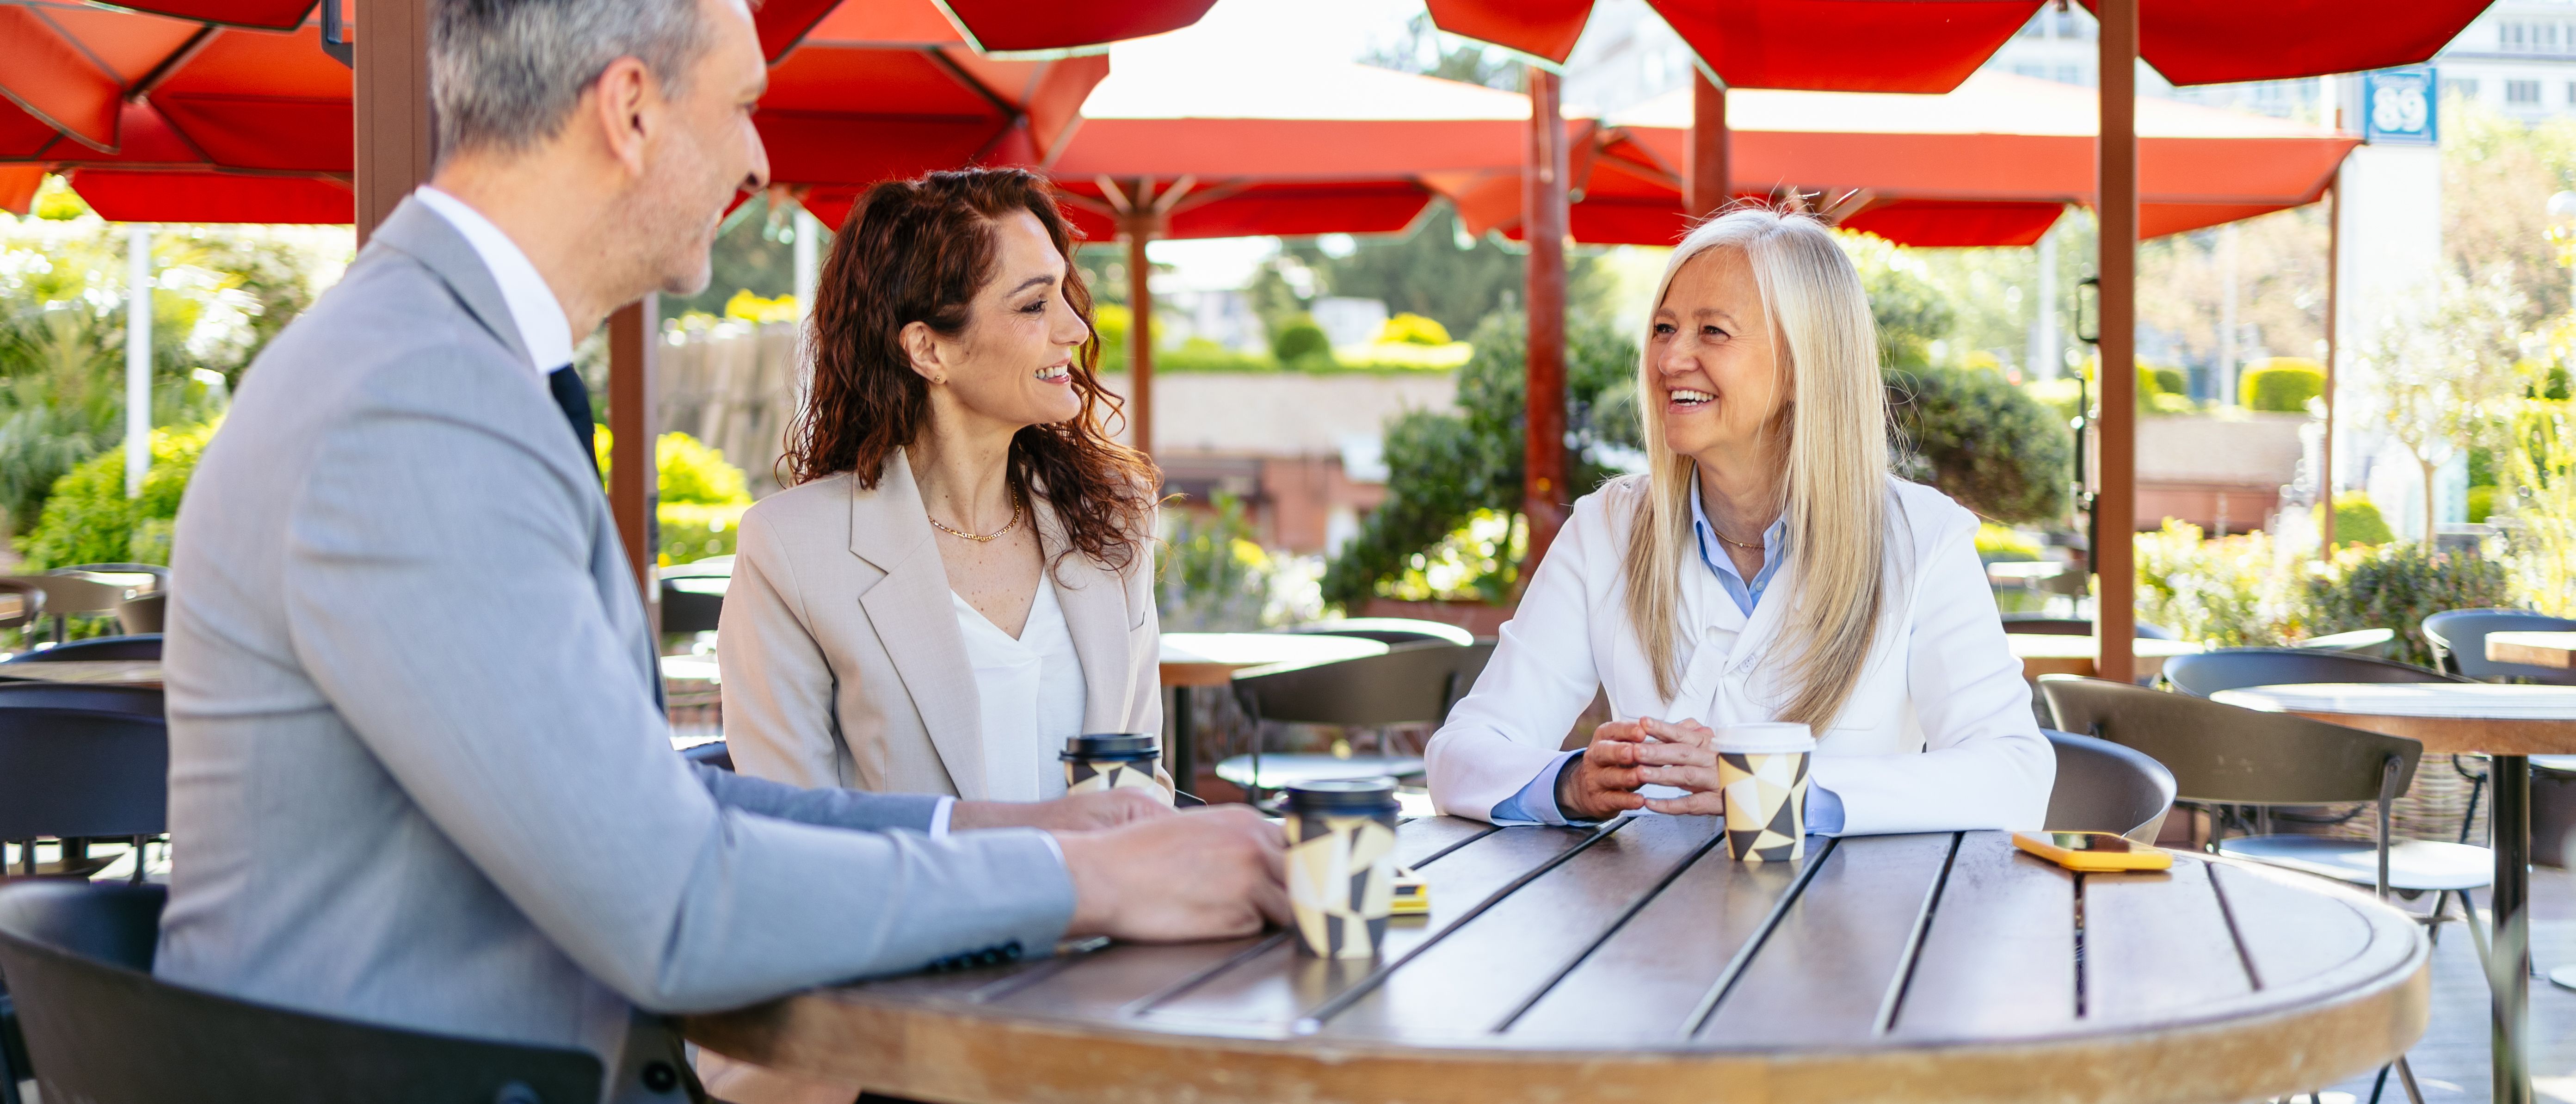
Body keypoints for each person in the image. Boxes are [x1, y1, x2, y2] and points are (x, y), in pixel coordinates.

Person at [154, 1, 1286, 1100]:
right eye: (741, 104)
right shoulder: (418, 408)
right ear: (631, 112)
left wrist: (1012, 824)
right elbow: (668, 905)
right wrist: (1079, 878)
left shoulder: (444, 363)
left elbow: (652, 813)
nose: (755, 156)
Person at [1423, 207, 2053, 833]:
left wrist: (1773, 788)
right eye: (1664, 329)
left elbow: (2013, 776)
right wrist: (1569, 783)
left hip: (1854, 925)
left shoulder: (1923, 540)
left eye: (1712, 332)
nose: (1670, 360)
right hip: (1639, 924)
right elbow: (1462, 754)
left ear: (1803, 365)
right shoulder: (1606, 529)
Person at [717, 169, 1165, 807]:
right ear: (928, 350)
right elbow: (793, 832)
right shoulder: (791, 549)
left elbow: (1143, 793)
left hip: (1100, 908)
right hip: (905, 908)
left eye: (1066, 295)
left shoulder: (1115, 517)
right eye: (1034, 304)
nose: (1075, 328)